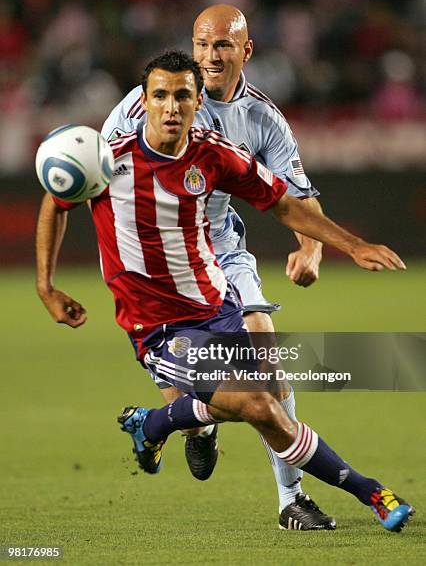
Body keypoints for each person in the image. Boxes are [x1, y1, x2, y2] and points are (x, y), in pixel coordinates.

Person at [36, 50, 413, 534]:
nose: (171, 107)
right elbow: (57, 200)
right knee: (257, 407)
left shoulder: (214, 155)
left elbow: (282, 205)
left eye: (182, 97)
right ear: (143, 102)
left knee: (272, 394)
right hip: (158, 326)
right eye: (160, 96)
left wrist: (351, 245)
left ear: (198, 103)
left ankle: (152, 424)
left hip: (218, 307)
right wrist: (46, 286)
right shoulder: (108, 159)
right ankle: (374, 493)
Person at [101, 4, 329, 531]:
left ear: (245, 51)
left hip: (221, 249)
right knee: (198, 399)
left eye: (222, 46)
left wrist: (311, 247)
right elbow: (101, 171)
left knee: (267, 359)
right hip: (159, 264)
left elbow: (296, 194)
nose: (209, 56)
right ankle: (187, 426)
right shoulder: (149, 101)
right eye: (202, 45)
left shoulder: (264, 120)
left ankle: (290, 499)